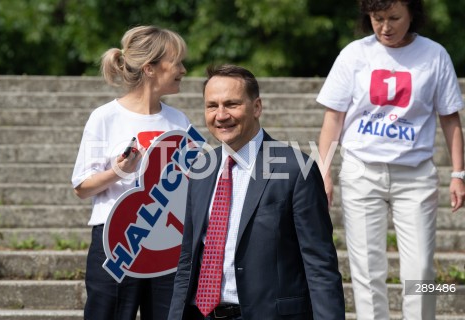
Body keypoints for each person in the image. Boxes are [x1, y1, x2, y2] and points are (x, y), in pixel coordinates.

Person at [316, 0, 465, 319]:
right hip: (361, 172)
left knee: (421, 271)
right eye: (377, 18)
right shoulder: (355, 54)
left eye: (394, 18)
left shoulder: (434, 55)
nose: (385, 27)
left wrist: (458, 173)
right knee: (366, 269)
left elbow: (450, 118)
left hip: (415, 176)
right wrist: (324, 171)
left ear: (413, 14)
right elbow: (333, 118)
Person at [168, 64, 345, 320]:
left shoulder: (296, 169)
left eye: (231, 104)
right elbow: (188, 258)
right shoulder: (201, 170)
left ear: (257, 107)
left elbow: (320, 265)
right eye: (212, 106)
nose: (220, 115)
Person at [71, 25, 190, 320]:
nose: (184, 70)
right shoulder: (104, 117)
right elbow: (82, 187)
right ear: (150, 68)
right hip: (117, 242)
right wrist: (118, 171)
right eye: (177, 62)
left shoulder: (179, 120)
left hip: (167, 242)